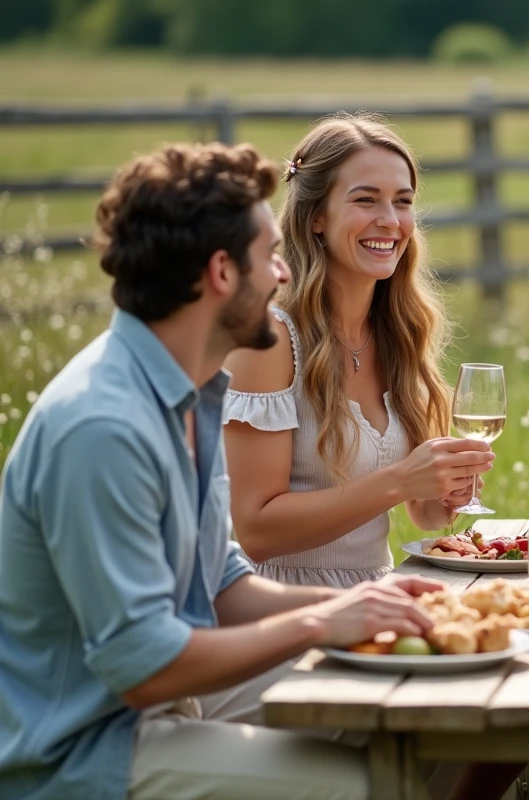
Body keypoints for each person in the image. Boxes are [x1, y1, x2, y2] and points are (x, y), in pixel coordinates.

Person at [0, 141, 444, 800]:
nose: (285, 275)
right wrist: (320, 625)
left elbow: (224, 579)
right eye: (269, 256)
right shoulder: (104, 425)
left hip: (174, 708)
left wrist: (355, 605)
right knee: (382, 785)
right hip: (87, 748)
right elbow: (143, 668)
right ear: (220, 273)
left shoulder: (187, 392)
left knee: (426, 719)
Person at [222, 113, 492, 588]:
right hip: (281, 607)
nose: (389, 221)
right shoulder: (268, 340)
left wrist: (444, 492)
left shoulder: (400, 330)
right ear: (317, 217)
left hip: (378, 595)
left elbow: (423, 515)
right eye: (366, 200)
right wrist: (402, 480)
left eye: (402, 202)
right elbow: (256, 530)